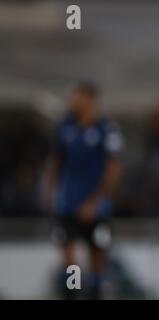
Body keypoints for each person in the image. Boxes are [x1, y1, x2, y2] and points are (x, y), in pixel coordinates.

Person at [43, 82, 123, 299]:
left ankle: (95, 290)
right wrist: (51, 192)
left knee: (97, 254)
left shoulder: (106, 129)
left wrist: (95, 202)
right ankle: (73, 291)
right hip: (68, 204)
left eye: (76, 97)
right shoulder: (64, 127)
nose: (72, 102)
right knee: (69, 255)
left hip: (97, 208)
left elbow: (113, 168)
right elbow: (56, 162)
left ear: (90, 100)